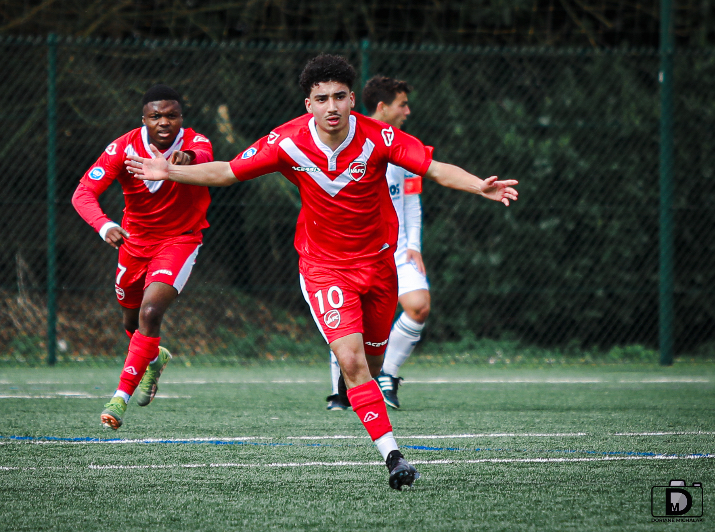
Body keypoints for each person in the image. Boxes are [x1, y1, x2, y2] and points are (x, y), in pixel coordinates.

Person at [125, 54, 518, 490]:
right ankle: (394, 458)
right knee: (351, 361)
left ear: (352, 100)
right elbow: (227, 171)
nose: (330, 106)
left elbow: (435, 169)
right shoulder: (286, 141)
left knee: (370, 364)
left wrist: (479, 184)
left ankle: (365, 395)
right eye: (320, 98)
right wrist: (171, 170)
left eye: (338, 97)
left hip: (378, 265)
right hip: (323, 267)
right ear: (308, 104)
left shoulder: (380, 137)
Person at [72, 84, 214, 430]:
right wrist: (105, 225)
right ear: (144, 119)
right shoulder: (122, 148)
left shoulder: (196, 142)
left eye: (171, 115)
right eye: (156, 116)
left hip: (179, 241)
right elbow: (83, 192)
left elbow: (203, 158)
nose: (164, 122)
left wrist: (185, 161)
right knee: (131, 323)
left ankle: (119, 399)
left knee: (151, 312)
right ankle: (154, 358)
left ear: (181, 117)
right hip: (133, 244)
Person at [326, 75, 429, 411]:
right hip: (354, 248)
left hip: (397, 247)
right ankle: (339, 390)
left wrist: (414, 244)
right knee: (349, 317)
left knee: (419, 306)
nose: (408, 111)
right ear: (383, 107)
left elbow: (412, 200)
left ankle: (388, 374)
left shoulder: (406, 144)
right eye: (402, 104)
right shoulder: (345, 139)